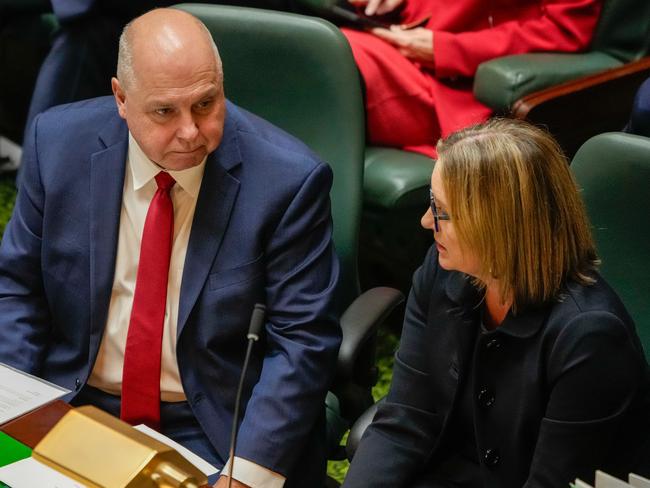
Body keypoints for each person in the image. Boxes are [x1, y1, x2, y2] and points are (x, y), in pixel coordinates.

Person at [0, 8, 341, 488]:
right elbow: (17, 288)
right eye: (165, 111)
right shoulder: (56, 144)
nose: (190, 131)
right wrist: (15, 405)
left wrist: (243, 476)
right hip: (73, 404)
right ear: (121, 98)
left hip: (211, 428)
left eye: (206, 103)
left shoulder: (288, 181)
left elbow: (302, 342)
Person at [342, 118, 650, 487]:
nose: (426, 221)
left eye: (441, 211)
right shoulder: (441, 272)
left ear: (495, 225)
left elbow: (550, 482)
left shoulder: (590, 338)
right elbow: (407, 417)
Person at [341, 0, 603, 158]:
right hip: (394, 37)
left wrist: (449, 49)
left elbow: (563, 31)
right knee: (314, 43)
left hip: (457, 87)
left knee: (330, 56)